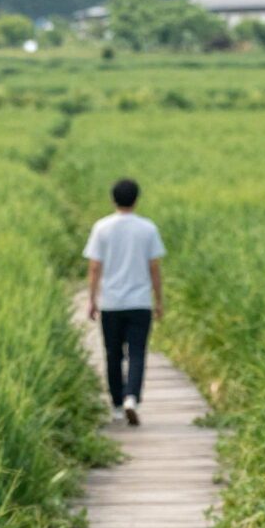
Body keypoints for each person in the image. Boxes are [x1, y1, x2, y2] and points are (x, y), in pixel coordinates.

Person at [84, 177, 165, 427]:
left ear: (113, 199)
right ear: (137, 199)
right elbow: (154, 268)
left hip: (111, 302)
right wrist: (159, 300)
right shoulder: (147, 228)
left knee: (113, 354)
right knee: (138, 353)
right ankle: (132, 397)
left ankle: (118, 405)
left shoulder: (102, 228)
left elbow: (95, 267)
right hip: (140, 302)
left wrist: (92, 299)